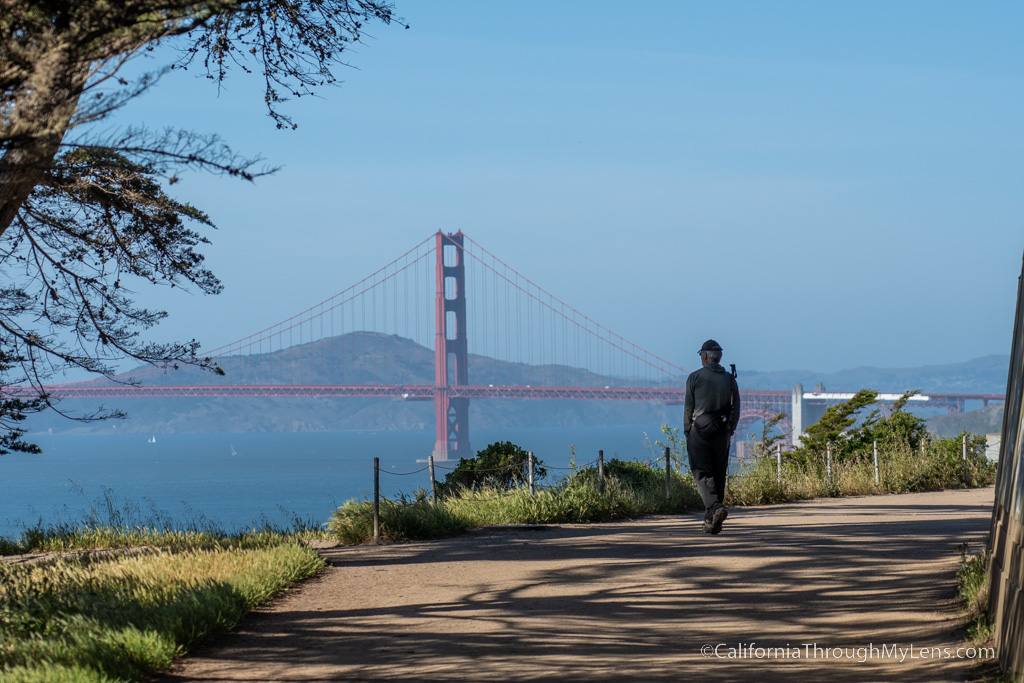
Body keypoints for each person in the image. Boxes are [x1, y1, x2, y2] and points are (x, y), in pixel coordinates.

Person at [683, 339, 740, 534]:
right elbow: (736, 407)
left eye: (701, 355)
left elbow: (688, 408)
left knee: (702, 473)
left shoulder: (694, 377)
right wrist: (730, 429)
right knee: (718, 474)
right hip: (722, 431)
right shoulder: (730, 379)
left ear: (705, 356)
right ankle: (712, 522)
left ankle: (715, 509)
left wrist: (687, 431)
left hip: (699, 430)